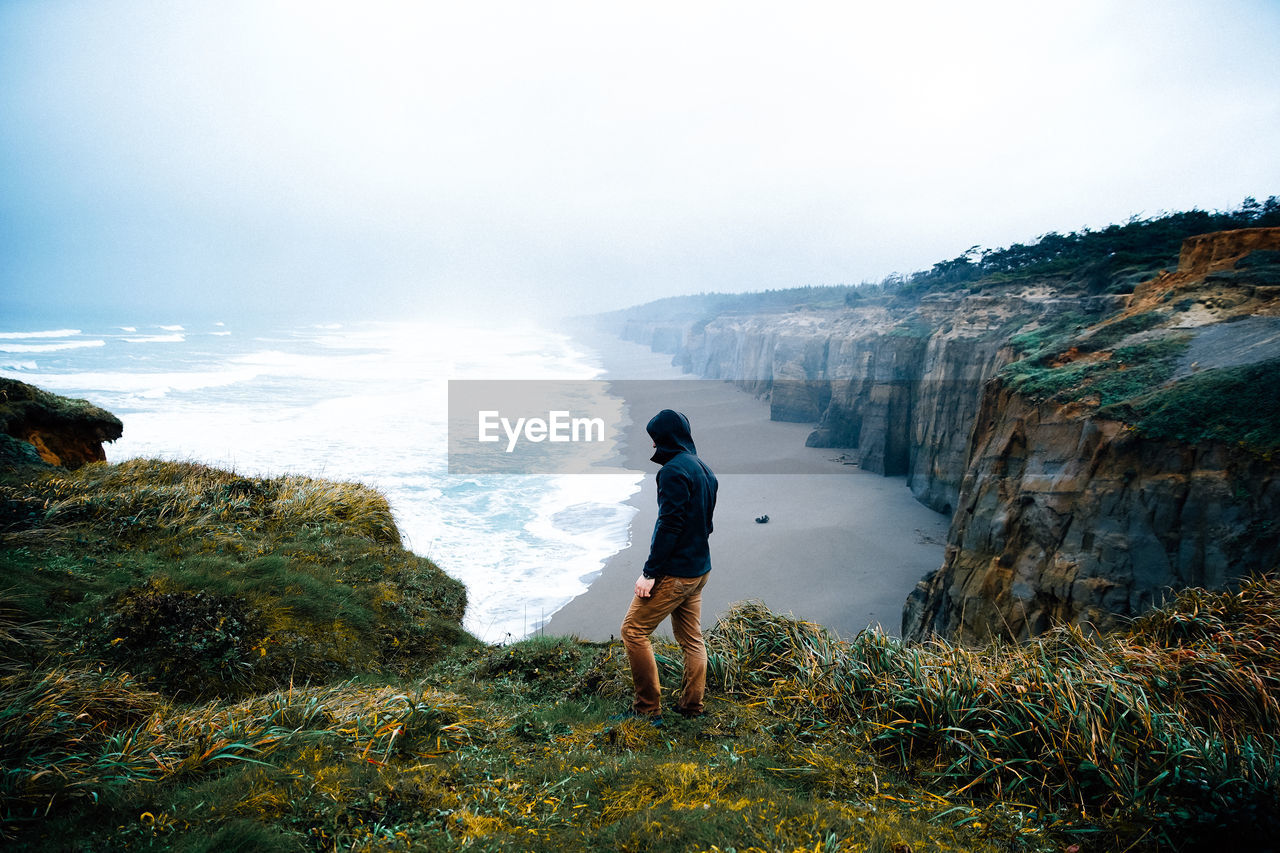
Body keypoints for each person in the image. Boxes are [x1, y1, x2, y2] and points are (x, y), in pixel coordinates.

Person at [620, 408, 718, 720]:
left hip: (676, 573)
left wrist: (650, 573)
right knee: (692, 640)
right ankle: (691, 707)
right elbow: (707, 524)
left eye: (656, 439)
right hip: (699, 569)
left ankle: (647, 710)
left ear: (668, 438)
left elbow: (669, 526)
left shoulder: (674, 471)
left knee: (633, 631)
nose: (652, 446)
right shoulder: (704, 469)